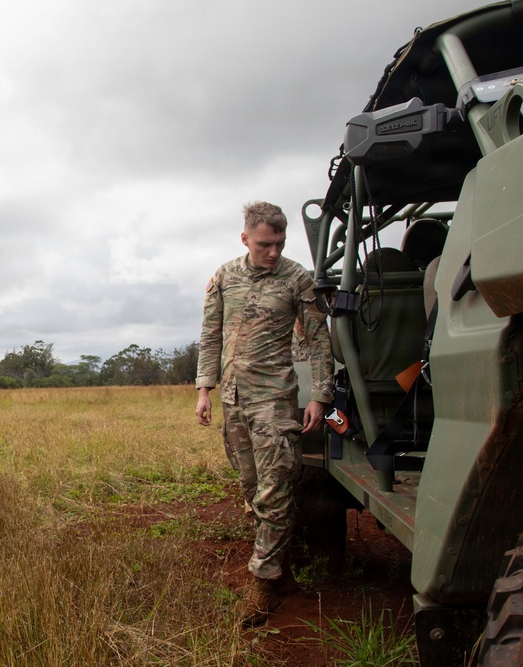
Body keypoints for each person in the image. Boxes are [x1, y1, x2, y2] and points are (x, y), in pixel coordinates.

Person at [194, 201, 333, 626]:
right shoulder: (224, 277)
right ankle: (282, 571)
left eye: (280, 244)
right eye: (264, 244)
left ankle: (262, 584)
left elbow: (318, 340)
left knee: (275, 490)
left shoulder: (296, 279)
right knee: (253, 488)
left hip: (274, 401)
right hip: (233, 401)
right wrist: (204, 391)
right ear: (245, 239)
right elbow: (211, 335)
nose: (273, 252)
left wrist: (320, 395)